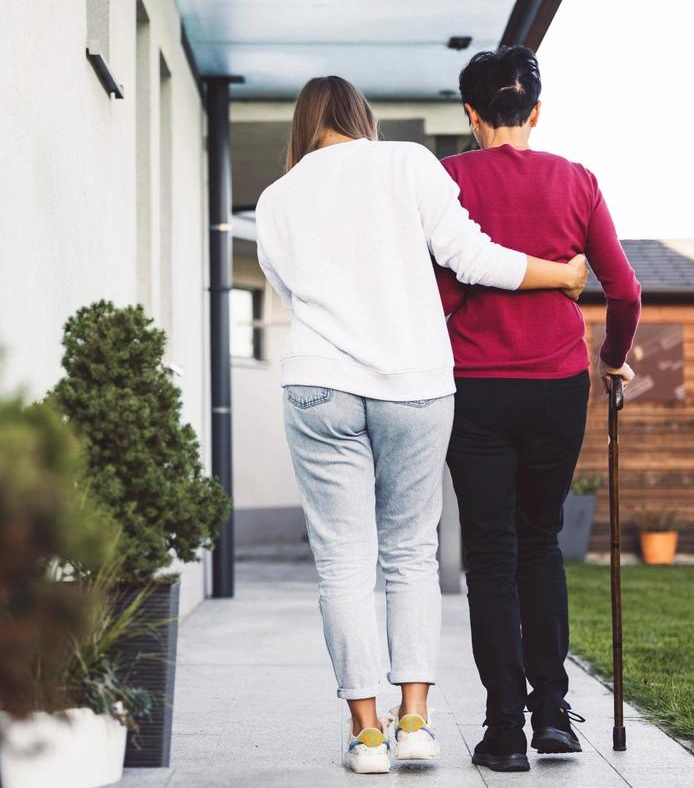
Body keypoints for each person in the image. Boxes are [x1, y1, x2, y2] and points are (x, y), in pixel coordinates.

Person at [254, 75, 590, 774]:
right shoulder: (408, 163)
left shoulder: (277, 197)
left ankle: (367, 734)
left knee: (344, 562)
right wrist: (557, 275)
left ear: (304, 124)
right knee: (409, 554)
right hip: (414, 383)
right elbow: (469, 258)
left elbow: (289, 292)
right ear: (362, 117)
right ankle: (415, 724)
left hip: (320, 382)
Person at [435, 46, 642, 772]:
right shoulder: (577, 180)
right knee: (539, 542)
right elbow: (626, 292)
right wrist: (613, 358)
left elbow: (444, 292)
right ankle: (552, 715)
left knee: (488, 555)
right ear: (536, 111)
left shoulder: (449, 179)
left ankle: (502, 731)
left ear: (470, 113)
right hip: (558, 387)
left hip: (476, 387)